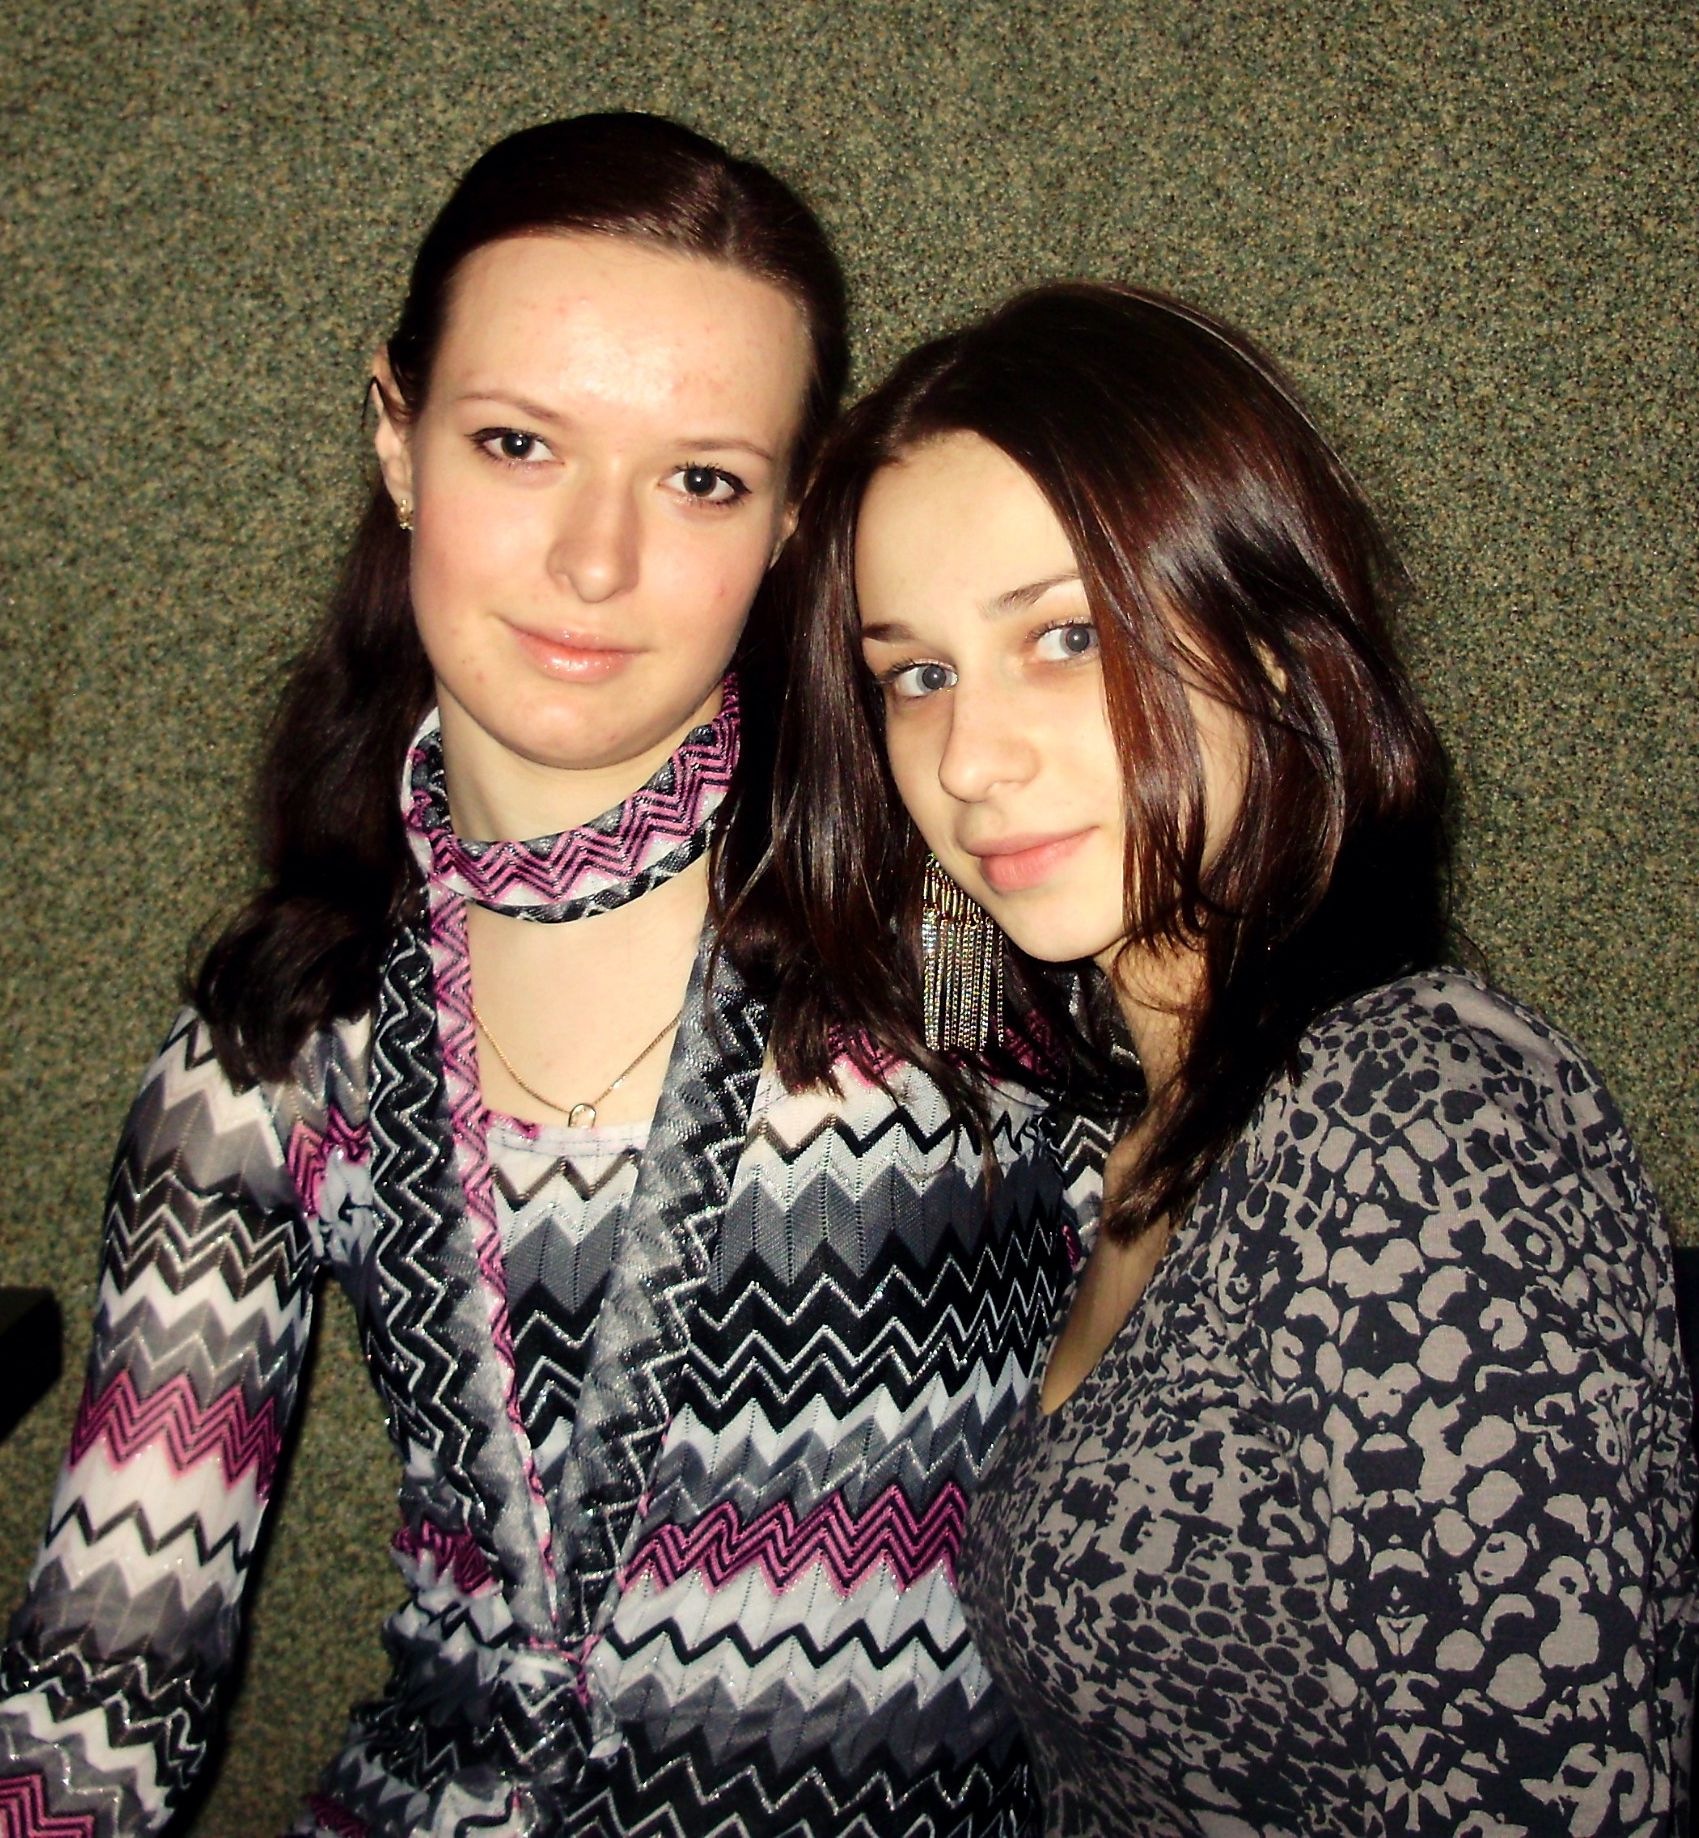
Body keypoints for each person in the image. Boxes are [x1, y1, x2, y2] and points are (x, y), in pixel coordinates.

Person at [0, 115, 1082, 1838]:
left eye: (701, 478)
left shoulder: (946, 925)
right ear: (398, 435)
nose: (596, 561)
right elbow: (104, 1688)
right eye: (518, 443)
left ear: (797, 516)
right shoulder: (282, 1045)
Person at [769, 279, 1698, 1834]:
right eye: (916, 674)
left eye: (1065, 636)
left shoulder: (1419, 1121)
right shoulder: (1117, 1134)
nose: (970, 759)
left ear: (1270, 644)